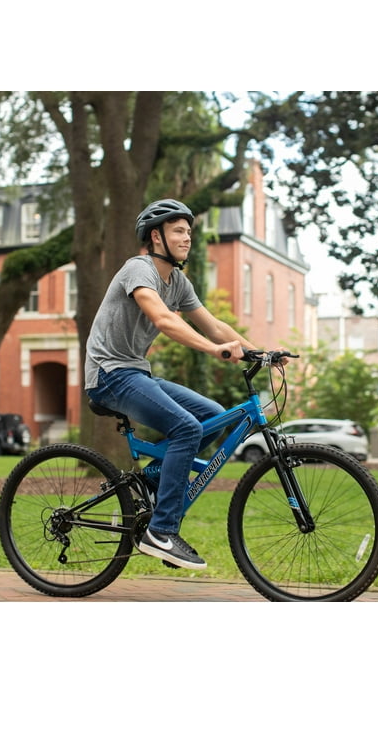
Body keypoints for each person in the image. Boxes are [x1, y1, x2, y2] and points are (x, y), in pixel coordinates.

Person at [84, 198, 258, 571]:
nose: (187, 238)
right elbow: (163, 319)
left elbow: (214, 325)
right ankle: (161, 532)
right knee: (186, 428)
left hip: (136, 372)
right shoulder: (138, 269)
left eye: (189, 231)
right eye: (179, 231)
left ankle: (150, 479)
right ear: (156, 237)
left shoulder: (177, 281)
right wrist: (214, 350)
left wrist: (259, 353)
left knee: (215, 416)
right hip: (109, 373)